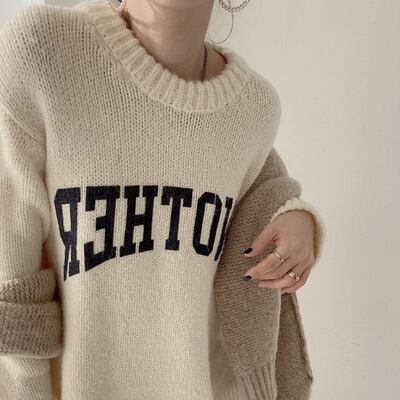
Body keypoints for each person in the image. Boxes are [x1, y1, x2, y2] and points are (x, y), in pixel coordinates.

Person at [0, 0, 325, 399]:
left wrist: (298, 217)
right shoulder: (45, 51)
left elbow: (265, 192)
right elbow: (12, 293)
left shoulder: (255, 109)